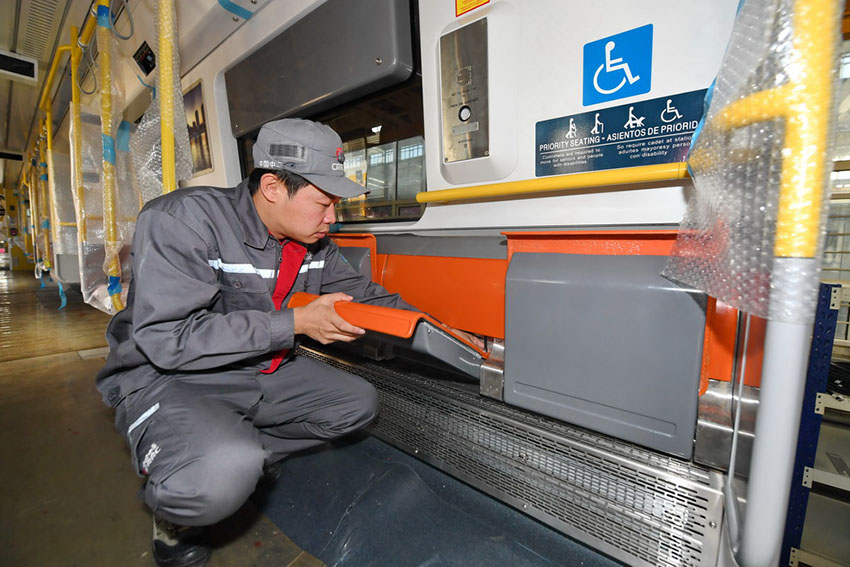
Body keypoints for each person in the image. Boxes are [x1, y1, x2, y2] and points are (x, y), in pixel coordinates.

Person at [95, 118, 481, 567]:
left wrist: (446, 331)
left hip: (258, 367)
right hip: (173, 377)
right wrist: (294, 323)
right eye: (323, 202)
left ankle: (241, 453)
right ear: (273, 187)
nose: (331, 217)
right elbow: (168, 339)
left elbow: (368, 296)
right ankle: (180, 509)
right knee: (217, 476)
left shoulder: (313, 245)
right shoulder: (182, 220)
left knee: (356, 404)